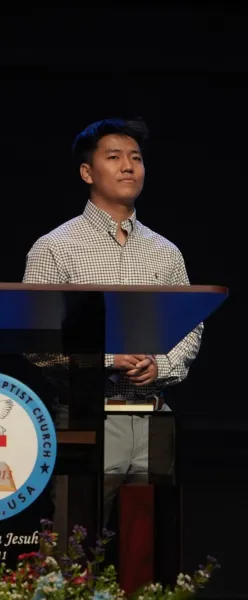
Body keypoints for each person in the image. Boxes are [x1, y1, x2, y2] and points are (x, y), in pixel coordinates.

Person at [22, 117, 203, 526]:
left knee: (150, 545)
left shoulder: (165, 251)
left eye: (135, 158)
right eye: (114, 157)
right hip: (86, 415)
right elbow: (36, 340)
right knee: (76, 539)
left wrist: (162, 364)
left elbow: (190, 324)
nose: (128, 166)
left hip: (154, 414)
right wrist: (107, 359)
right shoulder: (55, 247)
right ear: (87, 172)